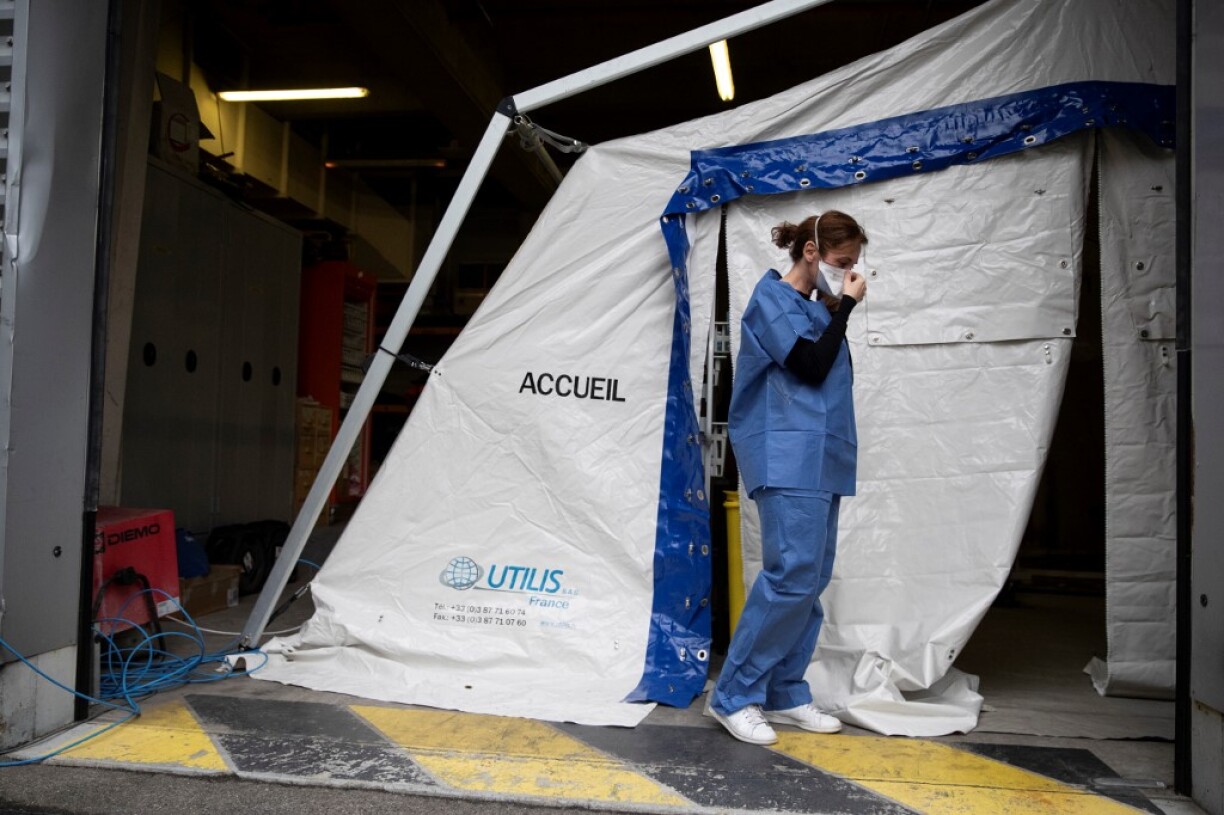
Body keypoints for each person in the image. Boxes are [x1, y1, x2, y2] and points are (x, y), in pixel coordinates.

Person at [707, 210, 868, 746]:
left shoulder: (812, 307)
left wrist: (834, 306)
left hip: (821, 457)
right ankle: (732, 696)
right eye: (843, 263)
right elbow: (809, 367)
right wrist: (845, 305)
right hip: (786, 453)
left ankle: (784, 691)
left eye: (853, 267)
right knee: (789, 575)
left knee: (811, 580)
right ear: (811, 252)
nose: (849, 274)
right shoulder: (771, 301)